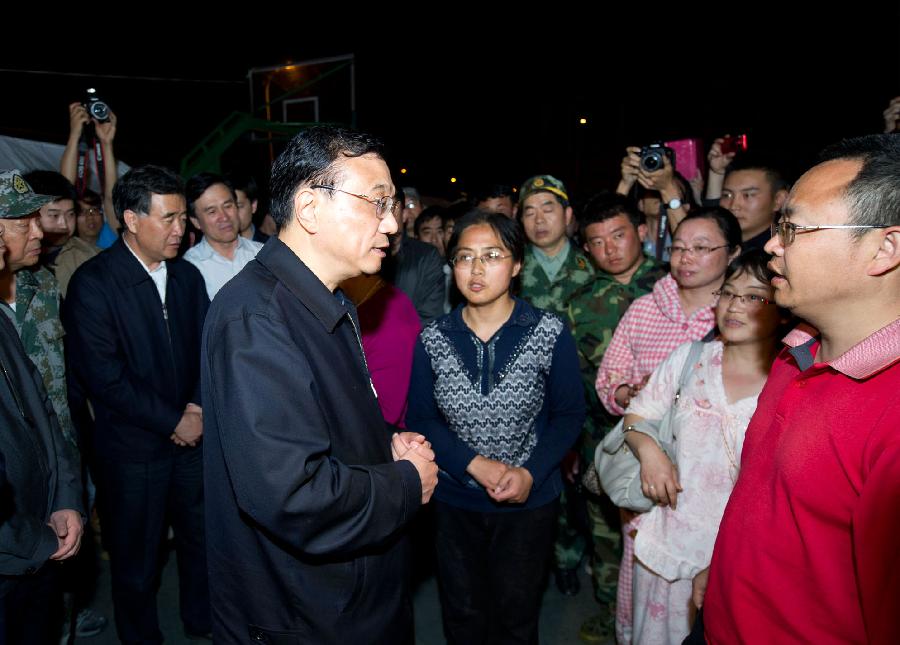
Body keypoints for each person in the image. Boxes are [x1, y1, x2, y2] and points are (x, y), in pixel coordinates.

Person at [201, 126, 438, 644]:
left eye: (392, 205)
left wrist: (385, 451)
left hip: (347, 594)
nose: (393, 223)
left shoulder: (321, 299)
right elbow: (292, 494)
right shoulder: (258, 318)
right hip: (306, 613)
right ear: (309, 208)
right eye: (376, 203)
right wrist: (403, 483)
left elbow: (325, 428)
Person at [694, 135, 900, 644]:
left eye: (793, 228)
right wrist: (721, 574)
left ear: (885, 248)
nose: (770, 244)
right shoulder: (795, 349)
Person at [406, 211, 585, 644]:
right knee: (462, 611)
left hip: (529, 501)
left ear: (517, 263)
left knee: (516, 614)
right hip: (453, 500)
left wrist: (528, 472)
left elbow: (569, 414)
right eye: (465, 257)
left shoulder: (548, 331)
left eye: (492, 255)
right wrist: (474, 465)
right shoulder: (433, 337)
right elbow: (422, 416)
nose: (477, 269)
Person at [62, 165, 211, 643]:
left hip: (193, 442)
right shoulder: (94, 284)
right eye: (167, 218)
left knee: (201, 544)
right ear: (130, 218)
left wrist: (198, 410)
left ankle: (202, 621)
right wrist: (173, 419)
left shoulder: (188, 277)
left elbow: (209, 352)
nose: (180, 229)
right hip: (131, 451)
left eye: (183, 218)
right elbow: (103, 378)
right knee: (136, 562)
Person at [621, 250, 785, 644]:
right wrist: (651, 453)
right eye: (728, 294)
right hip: (669, 539)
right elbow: (637, 415)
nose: (734, 306)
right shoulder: (689, 359)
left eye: (753, 297)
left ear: (781, 309)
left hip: (739, 555)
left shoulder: (789, 382)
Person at [595, 206, 741, 642]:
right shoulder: (644, 308)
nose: (686, 258)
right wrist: (628, 393)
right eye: (678, 247)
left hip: (714, 482)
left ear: (732, 254)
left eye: (701, 248)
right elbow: (610, 377)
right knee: (642, 574)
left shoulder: (740, 317)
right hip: (648, 473)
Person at [565, 194, 667, 641]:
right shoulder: (579, 303)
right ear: (586, 249)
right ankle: (614, 614)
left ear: (641, 232)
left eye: (619, 235)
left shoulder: (673, 285)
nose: (610, 248)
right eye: (597, 241)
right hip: (602, 438)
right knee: (607, 530)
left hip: (671, 440)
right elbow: (570, 379)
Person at [0, 169, 84, 644]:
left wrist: (67, 492)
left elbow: (49, 400)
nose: (40, 231)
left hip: (56, 471)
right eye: (23, 221)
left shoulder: (43, 286)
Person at [518, 174, 594, 319]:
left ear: (567, 215)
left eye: (547, 210)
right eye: (530, 213)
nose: (539, 220)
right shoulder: (510, 269)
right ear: (522, 220)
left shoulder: (593, 266)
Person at [183, 173, 263, 299]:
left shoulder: (263, 254)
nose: (224, 217)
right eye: (212, 212)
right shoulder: (190, 268)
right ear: (196, 221)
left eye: (228, 206)